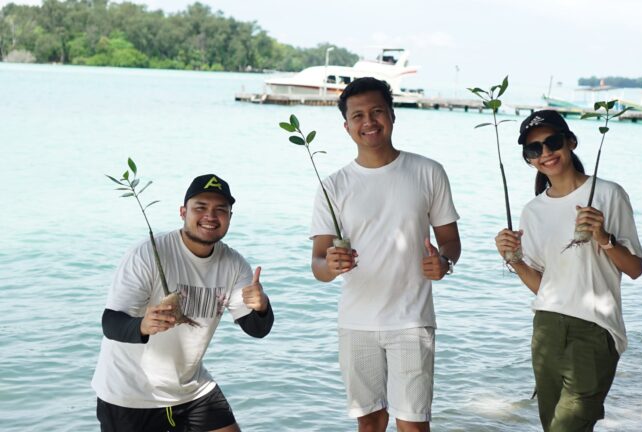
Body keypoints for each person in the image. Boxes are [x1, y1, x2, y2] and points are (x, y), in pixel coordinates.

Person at [310, 77, 461, 432]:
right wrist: (330, 266)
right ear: (346, 126)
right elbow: (317, 263)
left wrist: (444, 262)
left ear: (392, 115)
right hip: (356, 322)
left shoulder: (428, 172)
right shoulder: (333, 185)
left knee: (413, 424)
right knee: (370, 423)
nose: (369, 122)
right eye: (358, 115)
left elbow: (450, 241)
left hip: (412, 319)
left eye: (377, 111)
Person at [494, 110, 642, 432]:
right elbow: (545, 287)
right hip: (546, 327)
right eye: (534, 149)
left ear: (571, 142)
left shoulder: (607, 194)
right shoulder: (533, 211)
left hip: (595, 328)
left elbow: (634, 269)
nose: (546, 153)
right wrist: (514, 259)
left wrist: (603, 238)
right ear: (528, 159)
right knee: (553, 426)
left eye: (553, 142)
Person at [92, 174, 274, 432]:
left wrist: (262, 306)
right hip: (129, 393)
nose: (210, 216)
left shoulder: (233, 264)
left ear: (230, 217)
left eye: (220, 210)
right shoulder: (147, 254)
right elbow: (110, 323)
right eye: (200, 207)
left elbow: (256, 329)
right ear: (182, 211)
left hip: (190, 389)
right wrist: (143, 325)